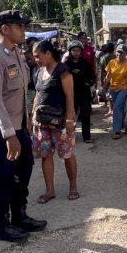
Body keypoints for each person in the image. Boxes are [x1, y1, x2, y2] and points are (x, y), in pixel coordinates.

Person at [0, 10, 46, 243]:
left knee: (24, 172)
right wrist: (9, 135)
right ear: (4, 29)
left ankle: (19, 216)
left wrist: (26, 123)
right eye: (19, 27)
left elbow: (21, 93)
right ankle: (3, 226)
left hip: (19, 127)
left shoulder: (17, 54)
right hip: (1, 130)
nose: (23, 30)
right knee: (4, 177)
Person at [31, 40, 79, 203]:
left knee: (68, 154)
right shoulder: (38, 71)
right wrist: (33, 115)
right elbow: (38, 94)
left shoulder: (63, 71)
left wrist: (69, 119)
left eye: (38, 56)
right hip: (42, 122)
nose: (35, 59)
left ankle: (73, 187)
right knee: (46, 155)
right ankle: (49, 190)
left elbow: (70, 96)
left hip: (61, 122)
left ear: (48, 54)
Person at [64, 40, 95, 144]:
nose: (76, 52)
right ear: (70, 51)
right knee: (70, 116)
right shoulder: (66, 64)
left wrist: (89, 84)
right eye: (74, 50)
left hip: (84, 94)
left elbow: (92, 76)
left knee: (85, 115)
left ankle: (87, 137)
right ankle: (69, 137)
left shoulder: (85, 63)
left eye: (78, 50)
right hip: (70, 95)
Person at [105, 44, 127, 139]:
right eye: (118, 52)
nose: (119, 54)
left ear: (125, 53)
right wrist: (104, 87)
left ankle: (117, 130)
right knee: (121, 109)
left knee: (117, 108)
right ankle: (125, 125)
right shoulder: (111, 62)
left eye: (122, 52)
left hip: (123, 89)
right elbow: (108, 76)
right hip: (113, 89)